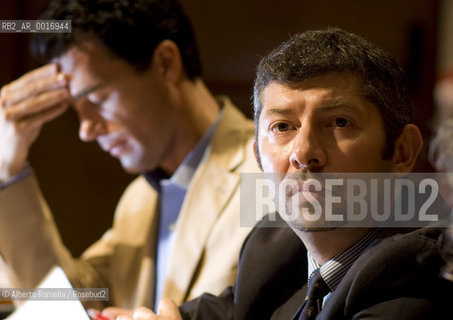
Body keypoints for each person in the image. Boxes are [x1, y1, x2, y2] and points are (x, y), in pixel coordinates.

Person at [112, 28, 453, 320]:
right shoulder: (274, 247)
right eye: (282, 126)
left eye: (339, 122)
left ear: (402, 151)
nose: (303, 153)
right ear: (257, 154)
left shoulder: (420, 275)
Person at [0, 0, 259, 310]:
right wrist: (8, 170)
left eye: (97, 98)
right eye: (76, 111)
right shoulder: (138, 200)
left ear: (165, 63)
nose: (86, 130)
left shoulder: (271, 174)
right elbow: (63, 305)